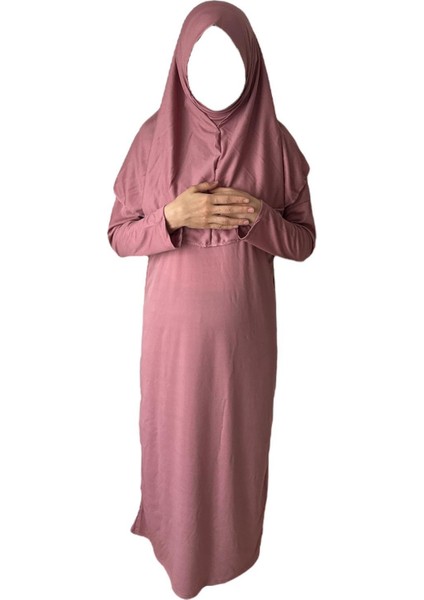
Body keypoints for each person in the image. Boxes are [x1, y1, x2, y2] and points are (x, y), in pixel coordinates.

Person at [107, 1, 316, 598]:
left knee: (233, 443)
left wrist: (259, 218)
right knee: (175, 438)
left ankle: (231, 547)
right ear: (181, 65)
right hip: (172, 339)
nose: (216, 76)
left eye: (231, 62)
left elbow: (304, 242)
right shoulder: (152, 140)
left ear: (253, 65)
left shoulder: (276, 144)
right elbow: (118, 235)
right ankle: (175, 544)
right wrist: (172, 217)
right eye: (202, 60)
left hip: (244, 343)